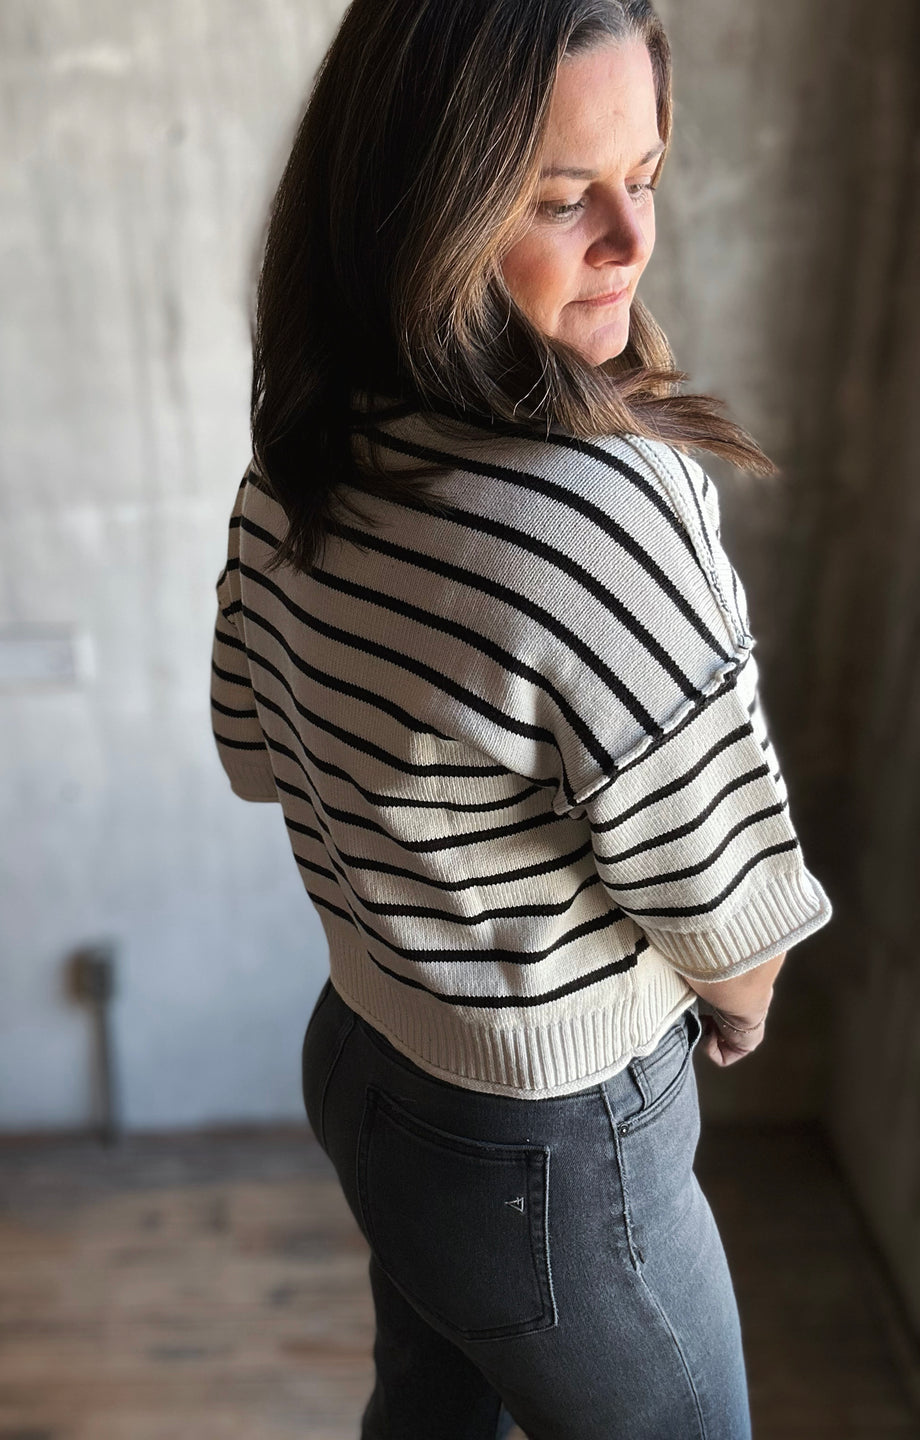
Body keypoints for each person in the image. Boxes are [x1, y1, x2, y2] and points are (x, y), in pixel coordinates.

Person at [210, 1, 834, 1435]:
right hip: (554, 1159)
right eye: (563, 198)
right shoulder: (604, 512)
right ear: (422, 203)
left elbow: (255, 755)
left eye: (649, 171)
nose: (632, 237)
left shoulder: (303, 453)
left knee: (430, 1414)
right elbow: (731, 930)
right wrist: (729, 1012)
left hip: (368, 1071)